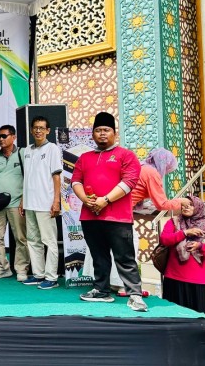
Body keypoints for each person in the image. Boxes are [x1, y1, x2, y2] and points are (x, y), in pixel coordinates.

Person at [86, 147, 190, 294]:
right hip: (119, 213)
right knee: (127, 248)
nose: (166, 172)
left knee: (105, 247)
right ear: (163, 163)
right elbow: (162, 204)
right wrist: (181, 201)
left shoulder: (140, 167)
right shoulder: (152, 173)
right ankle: (122, 284)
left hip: (105, 209)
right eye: (168, 168)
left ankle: (105, 282)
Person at [71, 111, 146, 312]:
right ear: (92, 134)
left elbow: (129, 182)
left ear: (114, 133)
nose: (102, 134)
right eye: (98, 130)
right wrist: (85, 200)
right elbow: (76, 181)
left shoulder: (126, 155)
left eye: (106, 130)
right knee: (99, 256)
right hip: (90, 217)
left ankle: (135, 295)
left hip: (118, 218)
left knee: (125, 257)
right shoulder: (84, 158)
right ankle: (101, 290)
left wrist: (105, 200)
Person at [20, 116, 62, 289]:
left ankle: (51, 277)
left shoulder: (52, 149)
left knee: (49, 241)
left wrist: (56, 201)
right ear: (31, 130)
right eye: (35, 128)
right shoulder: (27, 151)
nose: (38, 131)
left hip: (46, 203)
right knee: (33, 240)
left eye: (41, 128)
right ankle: (38, 275)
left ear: (47, 131)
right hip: (30, 203)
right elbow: (27, 178)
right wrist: (23, 200)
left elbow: (57, 176)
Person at [0, 125, 28, 280]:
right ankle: (2, 268)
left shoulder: (23, 153)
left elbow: (30, 178)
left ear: (13, 137)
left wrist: (24, 199)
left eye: (4, 136)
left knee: (21, 238)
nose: (1, 139)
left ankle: (21, 269)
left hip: (17, 203)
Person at [159, 196, 205, 316]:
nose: (186, 207)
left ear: (198, 207)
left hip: (199, 281)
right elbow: (164, 240)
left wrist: (200, 246)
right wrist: (185, 233)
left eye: (191, 205)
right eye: (184, 204)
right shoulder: (174, 222)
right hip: (174, 278)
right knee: (174, 317)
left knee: (201, 319)